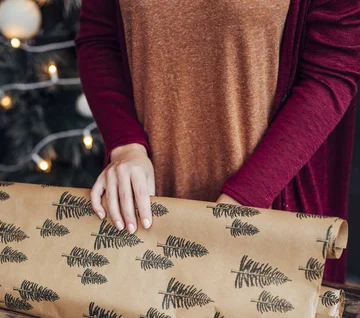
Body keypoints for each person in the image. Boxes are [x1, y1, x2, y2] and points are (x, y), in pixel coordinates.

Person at [76, 0, 360, 283]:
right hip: (142, 211)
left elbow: (331, 73)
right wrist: (126, 147)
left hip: (266, 210)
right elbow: (99, 39)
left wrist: (245, 198)